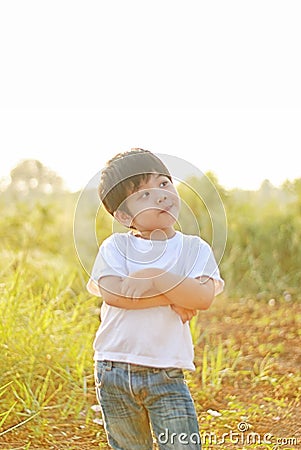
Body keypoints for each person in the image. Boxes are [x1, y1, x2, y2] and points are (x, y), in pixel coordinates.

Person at [87, 148, 224, 449]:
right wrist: (175, 297)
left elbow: (202, 298)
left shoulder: (193, 248)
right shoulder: (116, 247)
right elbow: (114, 294)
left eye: (163, 184)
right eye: (144, 195)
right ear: (124, 216)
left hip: (167, 372)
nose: (161, 196)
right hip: (114, 367)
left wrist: (157, 277)